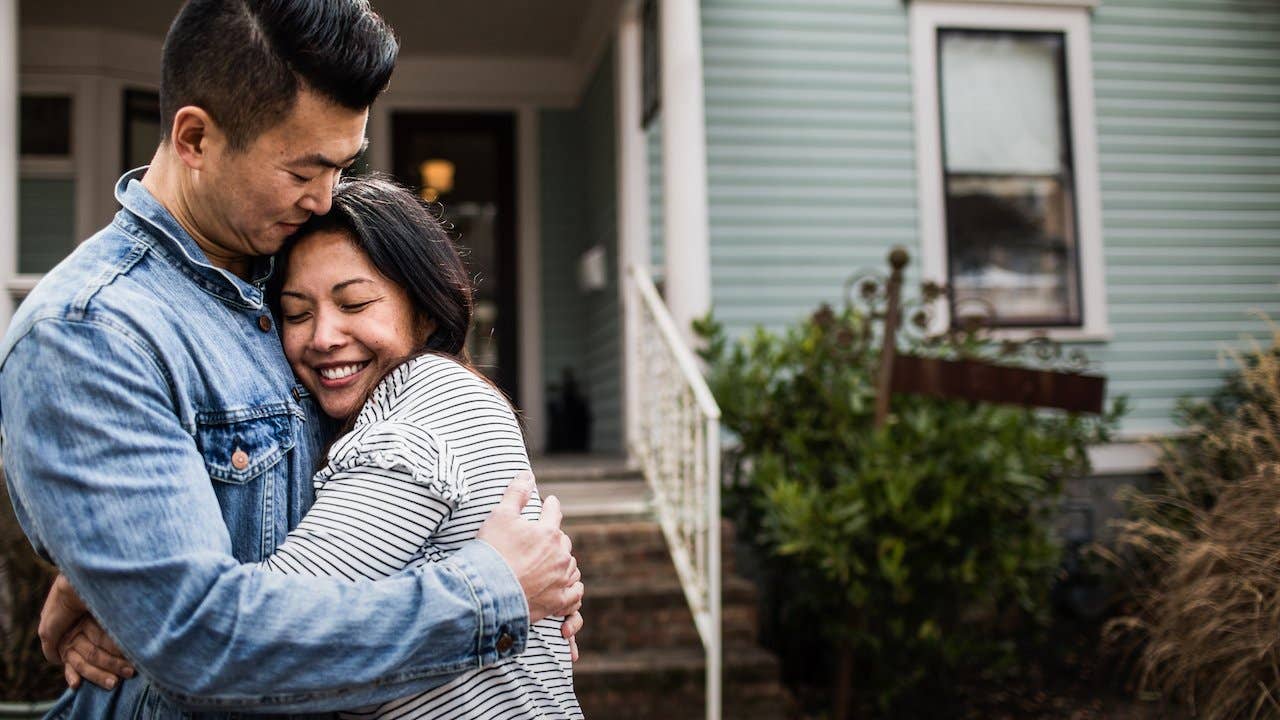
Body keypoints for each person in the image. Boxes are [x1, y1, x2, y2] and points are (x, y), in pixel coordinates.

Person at [0, 1, 582, 718]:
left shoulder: (277, 271)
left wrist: (105, 579)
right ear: (194, 138)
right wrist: (491, 596)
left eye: (342, 166)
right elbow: (201, 643)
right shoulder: (92, 333)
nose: (325, 199)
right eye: (305, 170)